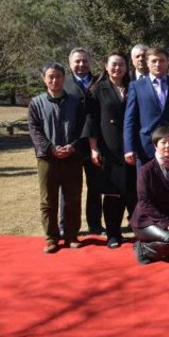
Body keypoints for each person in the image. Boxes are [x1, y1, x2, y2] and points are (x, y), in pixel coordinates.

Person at [28, 63, 87, 253]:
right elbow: (35, 130)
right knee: (48, 200)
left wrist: (73, 146)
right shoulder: (36, 103)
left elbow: (81, 128)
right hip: (48, 159)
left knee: (72, 198)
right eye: (51, 77)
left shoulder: (75, 101)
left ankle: (71, 235)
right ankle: (51, 237)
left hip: (72, 157)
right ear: (44, 79)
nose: (55, 80)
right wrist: (51, 148)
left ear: (64, 78)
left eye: (58, 76)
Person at [85, 51, 136, 249]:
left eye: (121, 64)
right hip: (109, 149)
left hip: (132, 148)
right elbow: (91, 121)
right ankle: (113, 234)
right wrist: (93, 147)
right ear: (106, 66)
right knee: (113, 193)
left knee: (133, 193)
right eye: (114, 64)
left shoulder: (134, 87)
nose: (118, 68)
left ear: (126, 67)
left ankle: (137, 230)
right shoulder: (98, 89)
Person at [131, 124, 169, 264]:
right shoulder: (146, 170)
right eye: (163, 142)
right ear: (155, 145)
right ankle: (141, 249)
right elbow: (144, 202)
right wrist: (166, 223)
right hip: (146, 221)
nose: (168, 146)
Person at [63, 47, 103, 235]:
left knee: (95, 187)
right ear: (70, 64)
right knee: (70, 189)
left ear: (90, 62)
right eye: (77, 61)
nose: (81, 65)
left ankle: (95, 225)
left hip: (96, 143)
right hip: (72, 143)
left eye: (85, 61)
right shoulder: (64, 83)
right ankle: (67, 227)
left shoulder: (100, 82)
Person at [124, 47, 169, 168]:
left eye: (162, 60)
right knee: (146, 185)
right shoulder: (136, 86)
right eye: (154, 61)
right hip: (145, 147)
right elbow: (130, 119)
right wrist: (129, 148)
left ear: (168, 62)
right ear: (147, 63)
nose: (158, 64)